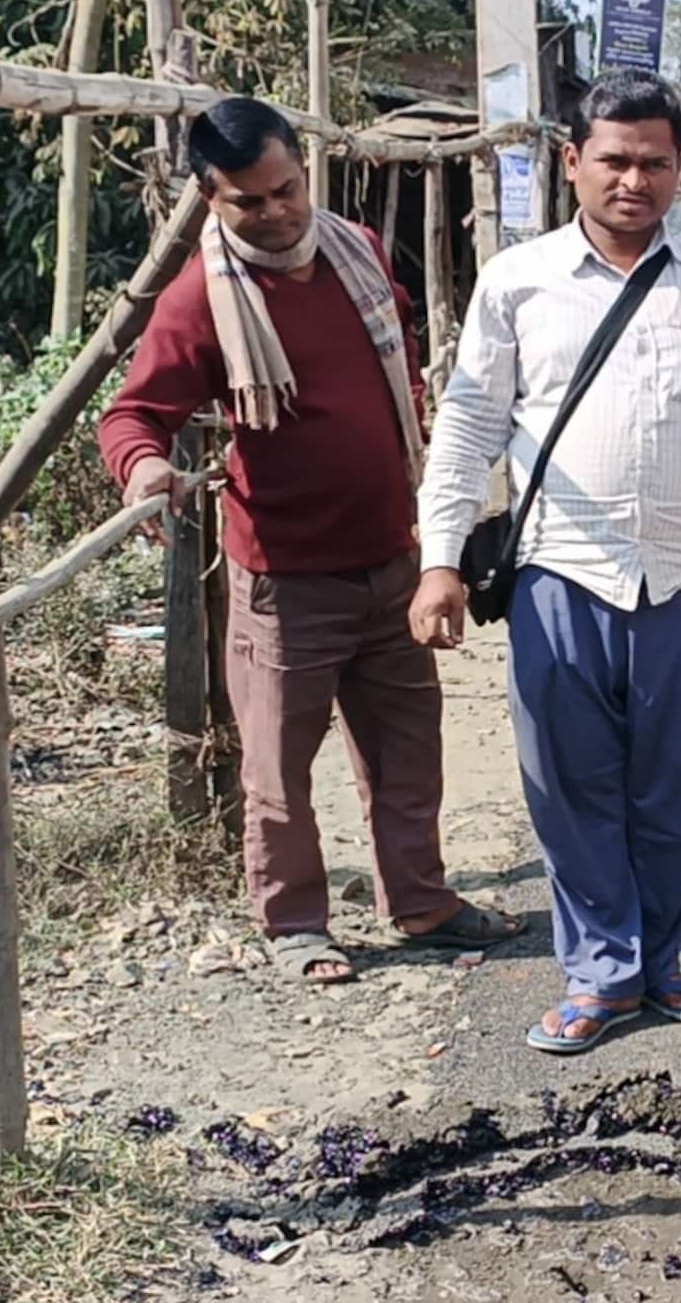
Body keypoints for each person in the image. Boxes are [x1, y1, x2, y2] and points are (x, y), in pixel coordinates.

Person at [411, 69, 681, 1054]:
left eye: (653, 162)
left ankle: (661, 959)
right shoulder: (518, 281)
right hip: (560, 575)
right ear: (572, 164)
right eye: (613, 160)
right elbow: (469, 421)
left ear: (679, 169)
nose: (633, 180)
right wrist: (437, 559)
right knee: (570, 781)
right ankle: (602, 970)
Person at [100, 98, 526, 987]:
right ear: (210, 200)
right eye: (249, 202)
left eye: (286, 188)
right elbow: (134, 413)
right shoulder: (199, 301)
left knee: (408, 747)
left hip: (394, 559)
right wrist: (144, 469)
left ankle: (422, 903)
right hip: (285, 580)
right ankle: (295, 923)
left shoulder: (357, 254)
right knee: (279, 770)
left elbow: (398, 359)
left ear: (305, 168)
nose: (277, 212)